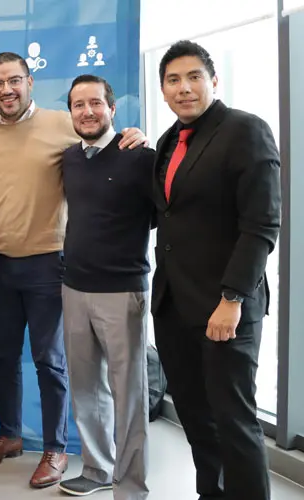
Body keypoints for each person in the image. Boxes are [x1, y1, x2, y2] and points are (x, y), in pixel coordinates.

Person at [0, 52, 146, 488]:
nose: (7, 89)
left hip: (49, 263)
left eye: (14, 80)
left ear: (30, 82)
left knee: (50, 361)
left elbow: (104, 141)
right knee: (2, 358)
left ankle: (55, 448)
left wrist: (135, 136)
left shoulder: (64, 123)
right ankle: (9, 435)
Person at [151, 41, 279, 500]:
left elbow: (261, 224)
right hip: (173, 305)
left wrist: (232, 299)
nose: (184, 88)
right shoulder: (168, 141)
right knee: (196, 418)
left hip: (225, 307)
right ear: (163, 89)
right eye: (173, 80)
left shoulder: (245, 130)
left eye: (194, 77)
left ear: (213, 81)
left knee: (234, 422)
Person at [57, 75, 157, 498]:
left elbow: (158, 215)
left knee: (128, 393)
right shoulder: (69, 158)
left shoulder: (140, 156)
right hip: (74, 286)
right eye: (78, 105)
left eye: (95, 103)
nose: (87, 112)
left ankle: (130, 485)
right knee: (85, 388)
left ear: (112, 108)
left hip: (122, 291)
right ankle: (97, 469)